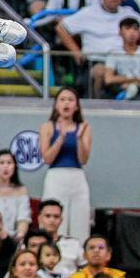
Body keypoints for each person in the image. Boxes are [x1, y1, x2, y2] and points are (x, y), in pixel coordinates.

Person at [38, 87, 92, 242]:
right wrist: (60, 138)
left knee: (80, 222)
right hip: (56, 176)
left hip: (77, 177)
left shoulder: (84, 127)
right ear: (56, 105)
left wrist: (79, 139)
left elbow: (83, 159)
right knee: (54, 220)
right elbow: (47, 158)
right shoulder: (47, 126)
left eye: (70, 100)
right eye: (62, 99)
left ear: (76, 106)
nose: (66, 103)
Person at [104, 17, 140, 100]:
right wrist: (134, 80)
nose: (132, 32)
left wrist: (135, 82)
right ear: (120, 32)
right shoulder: (114, 53)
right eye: (127, 28)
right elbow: (108, 79)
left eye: (135, 29)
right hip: (122, 88)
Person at [35, 199, 85, 277]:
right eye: (47, 216)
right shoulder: (31, 242)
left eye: (56, 216)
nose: (52, 220)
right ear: (39, 218)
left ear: (61, 220)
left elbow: (85, 269)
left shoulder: (74, 244)